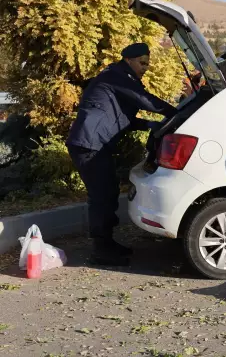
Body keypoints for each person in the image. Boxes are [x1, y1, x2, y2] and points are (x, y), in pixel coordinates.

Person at [66, 42, 177, 265]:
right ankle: (101, 250)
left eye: (148, 63)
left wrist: (150, 125)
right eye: (142, 62)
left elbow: (120, 117)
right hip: (90, 145)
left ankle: (106, 243)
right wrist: (179, 113)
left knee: (108, 192)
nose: (146, 67)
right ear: (129, 60)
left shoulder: (120, 78)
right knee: (101, 197)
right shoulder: (118, 77)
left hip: (95, 143)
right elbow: (146, 101)